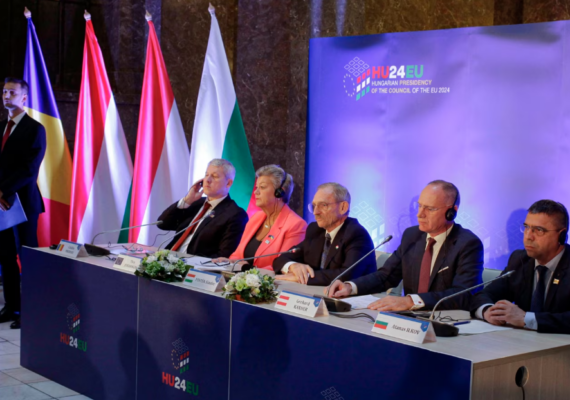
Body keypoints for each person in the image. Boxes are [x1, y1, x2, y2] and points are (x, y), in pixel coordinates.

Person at [328, 180, 484, 311]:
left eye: (430, 209)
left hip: (445, 320)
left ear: (452, 212)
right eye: (420, 206)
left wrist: (410, 301)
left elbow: (462, 294)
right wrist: (350, 287)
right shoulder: (412, 235)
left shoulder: (468, 244)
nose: (420, 214)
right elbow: (386, 276)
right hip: (409, 320)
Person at [471, 200, 570, 334]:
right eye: (526, 227)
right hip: (523, 341)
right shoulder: (520, 260)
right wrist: (488, 311)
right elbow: (483, 295)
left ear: (561, 235)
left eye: (539, 230)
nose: (528, 236)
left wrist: (526, 319)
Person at [0, 78, 47, 329]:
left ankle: (31, 310)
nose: (6, 96)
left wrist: (3, 190)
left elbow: (30, 169)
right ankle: (12, 306)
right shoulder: (1, 127)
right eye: (4, 92)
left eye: (12, 92)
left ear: (24, 98)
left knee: (26, 257)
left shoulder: (35, 129)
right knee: (5, 256)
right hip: (1, 204)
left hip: (23, 203)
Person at [273, 182, 376, 286]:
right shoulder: (315, 230)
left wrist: (305, 277)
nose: (316, 212)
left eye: (323, 205)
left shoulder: (356, 234)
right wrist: (293, 266)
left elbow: (347, 275)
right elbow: (280, 259)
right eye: (314, 206)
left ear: (343, 207)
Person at [213, 165, 307, 270]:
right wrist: (229, 262)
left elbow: (283, 266)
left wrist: (248, 269)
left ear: (280, 192)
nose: (256, 192)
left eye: (262, 187)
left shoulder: (296, 225)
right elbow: (238, 255)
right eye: (257, 187)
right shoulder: (256, 218)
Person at [157, 159, 248, 258]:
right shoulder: (195, 202)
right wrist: (187, 200)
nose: (207, 180)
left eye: (215, 176)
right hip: (168, 258)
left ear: (228, 183)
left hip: (193, 265)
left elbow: (223, 255)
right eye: (206, 175)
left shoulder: (235, 214)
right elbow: (163, 224)